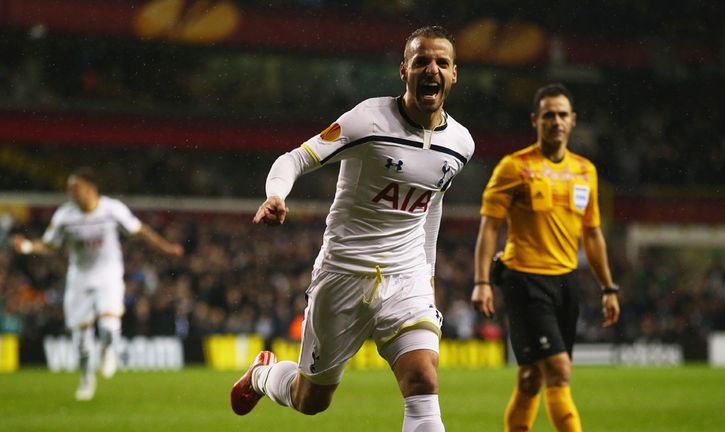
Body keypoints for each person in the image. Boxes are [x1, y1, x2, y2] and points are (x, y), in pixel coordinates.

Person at [230, 25, 474, 432]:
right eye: (421, 62)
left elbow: (431, 206)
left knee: (423, 380)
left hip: (406, 277)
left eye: (441, 62)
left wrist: (427, 273)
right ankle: (262, 374)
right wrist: (276, 194)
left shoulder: (460, 144)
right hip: (344, 273)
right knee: (311, 400)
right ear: (404, 71)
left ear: (453, 74)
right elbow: (295, 159)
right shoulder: (368, 120)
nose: (431, 69)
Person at [471, 83, 620, 432]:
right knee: (559, 371)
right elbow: (489, 228)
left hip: (566, 283)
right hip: (524, 280)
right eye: (549, 115)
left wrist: (608, 287)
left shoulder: (586, 171)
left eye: (562, 115)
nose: (556, 121)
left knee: (530, 378)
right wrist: (481, 282)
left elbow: (593, 234)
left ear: (573, 121)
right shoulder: (514, 167)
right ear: (536, 120)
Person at [12, 167, 184, 401]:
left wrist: (166, 248)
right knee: (81, 340)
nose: (71, 193)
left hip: (109, 275)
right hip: (79, 278)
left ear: (91, 189)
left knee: (109, 327)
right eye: (69, 189)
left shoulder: (112, 209)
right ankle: (86, 380)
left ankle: (107, 349)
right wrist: (28, 247)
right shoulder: (65, 215)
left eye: (76, 188)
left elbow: (139, 230)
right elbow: (50, 245)